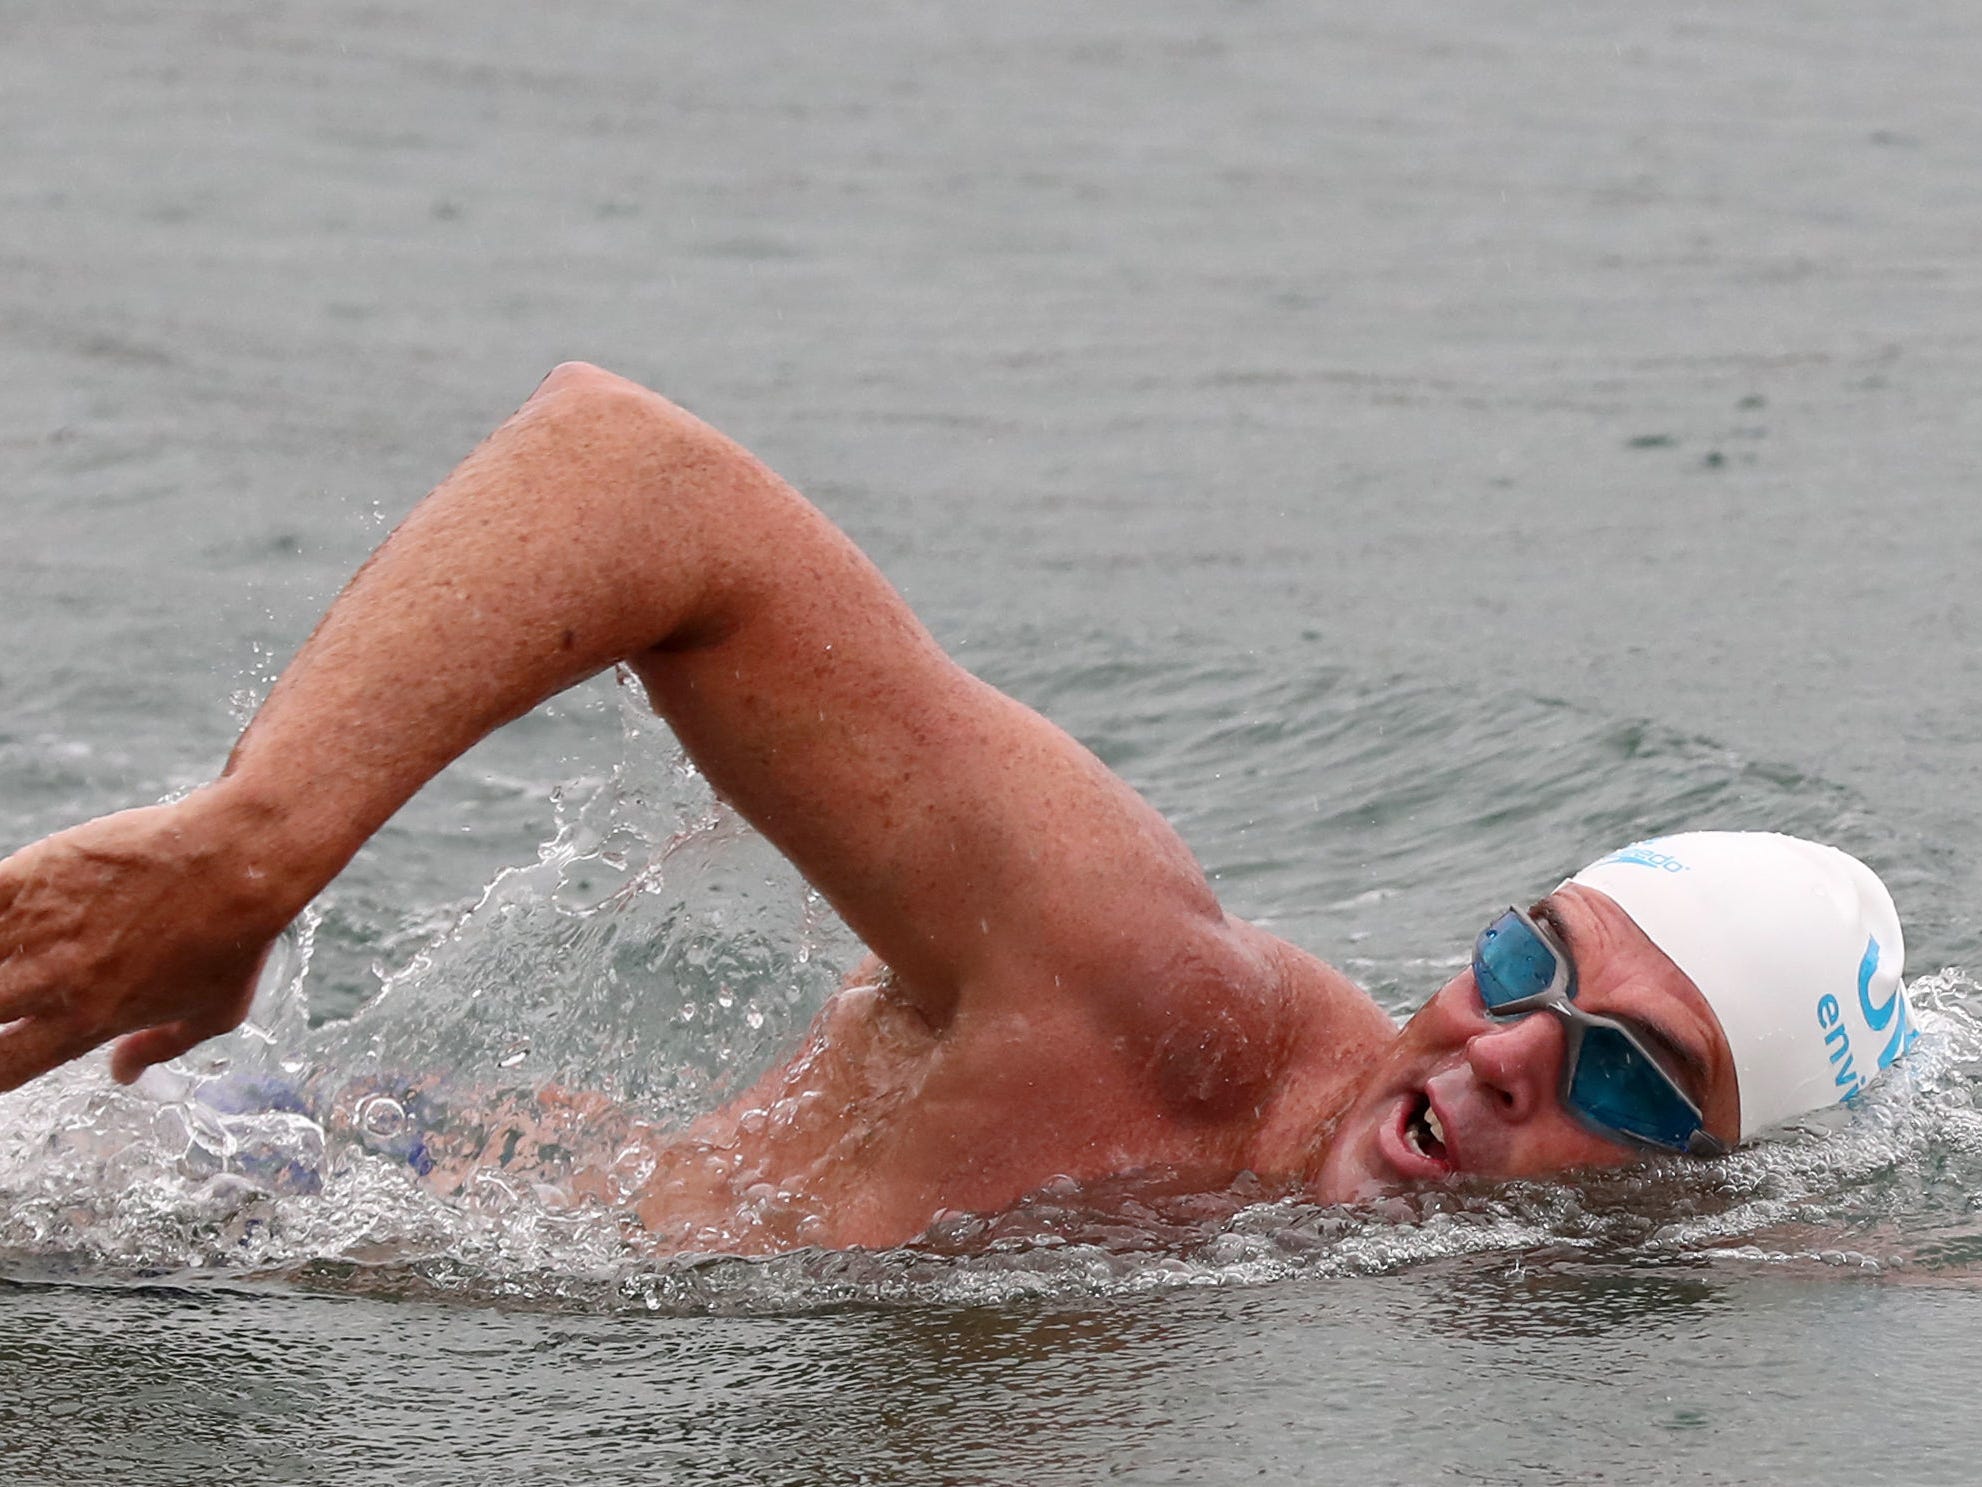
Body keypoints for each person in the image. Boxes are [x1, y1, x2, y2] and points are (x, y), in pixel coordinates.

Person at [0, 363, 1917, 1254]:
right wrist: (252, 849)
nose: (1505, 1050)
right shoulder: (1156, 1006)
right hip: (252, 1176)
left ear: (1722, 1189)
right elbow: (631, 473)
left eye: (1631, 1081)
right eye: (1525, 961)